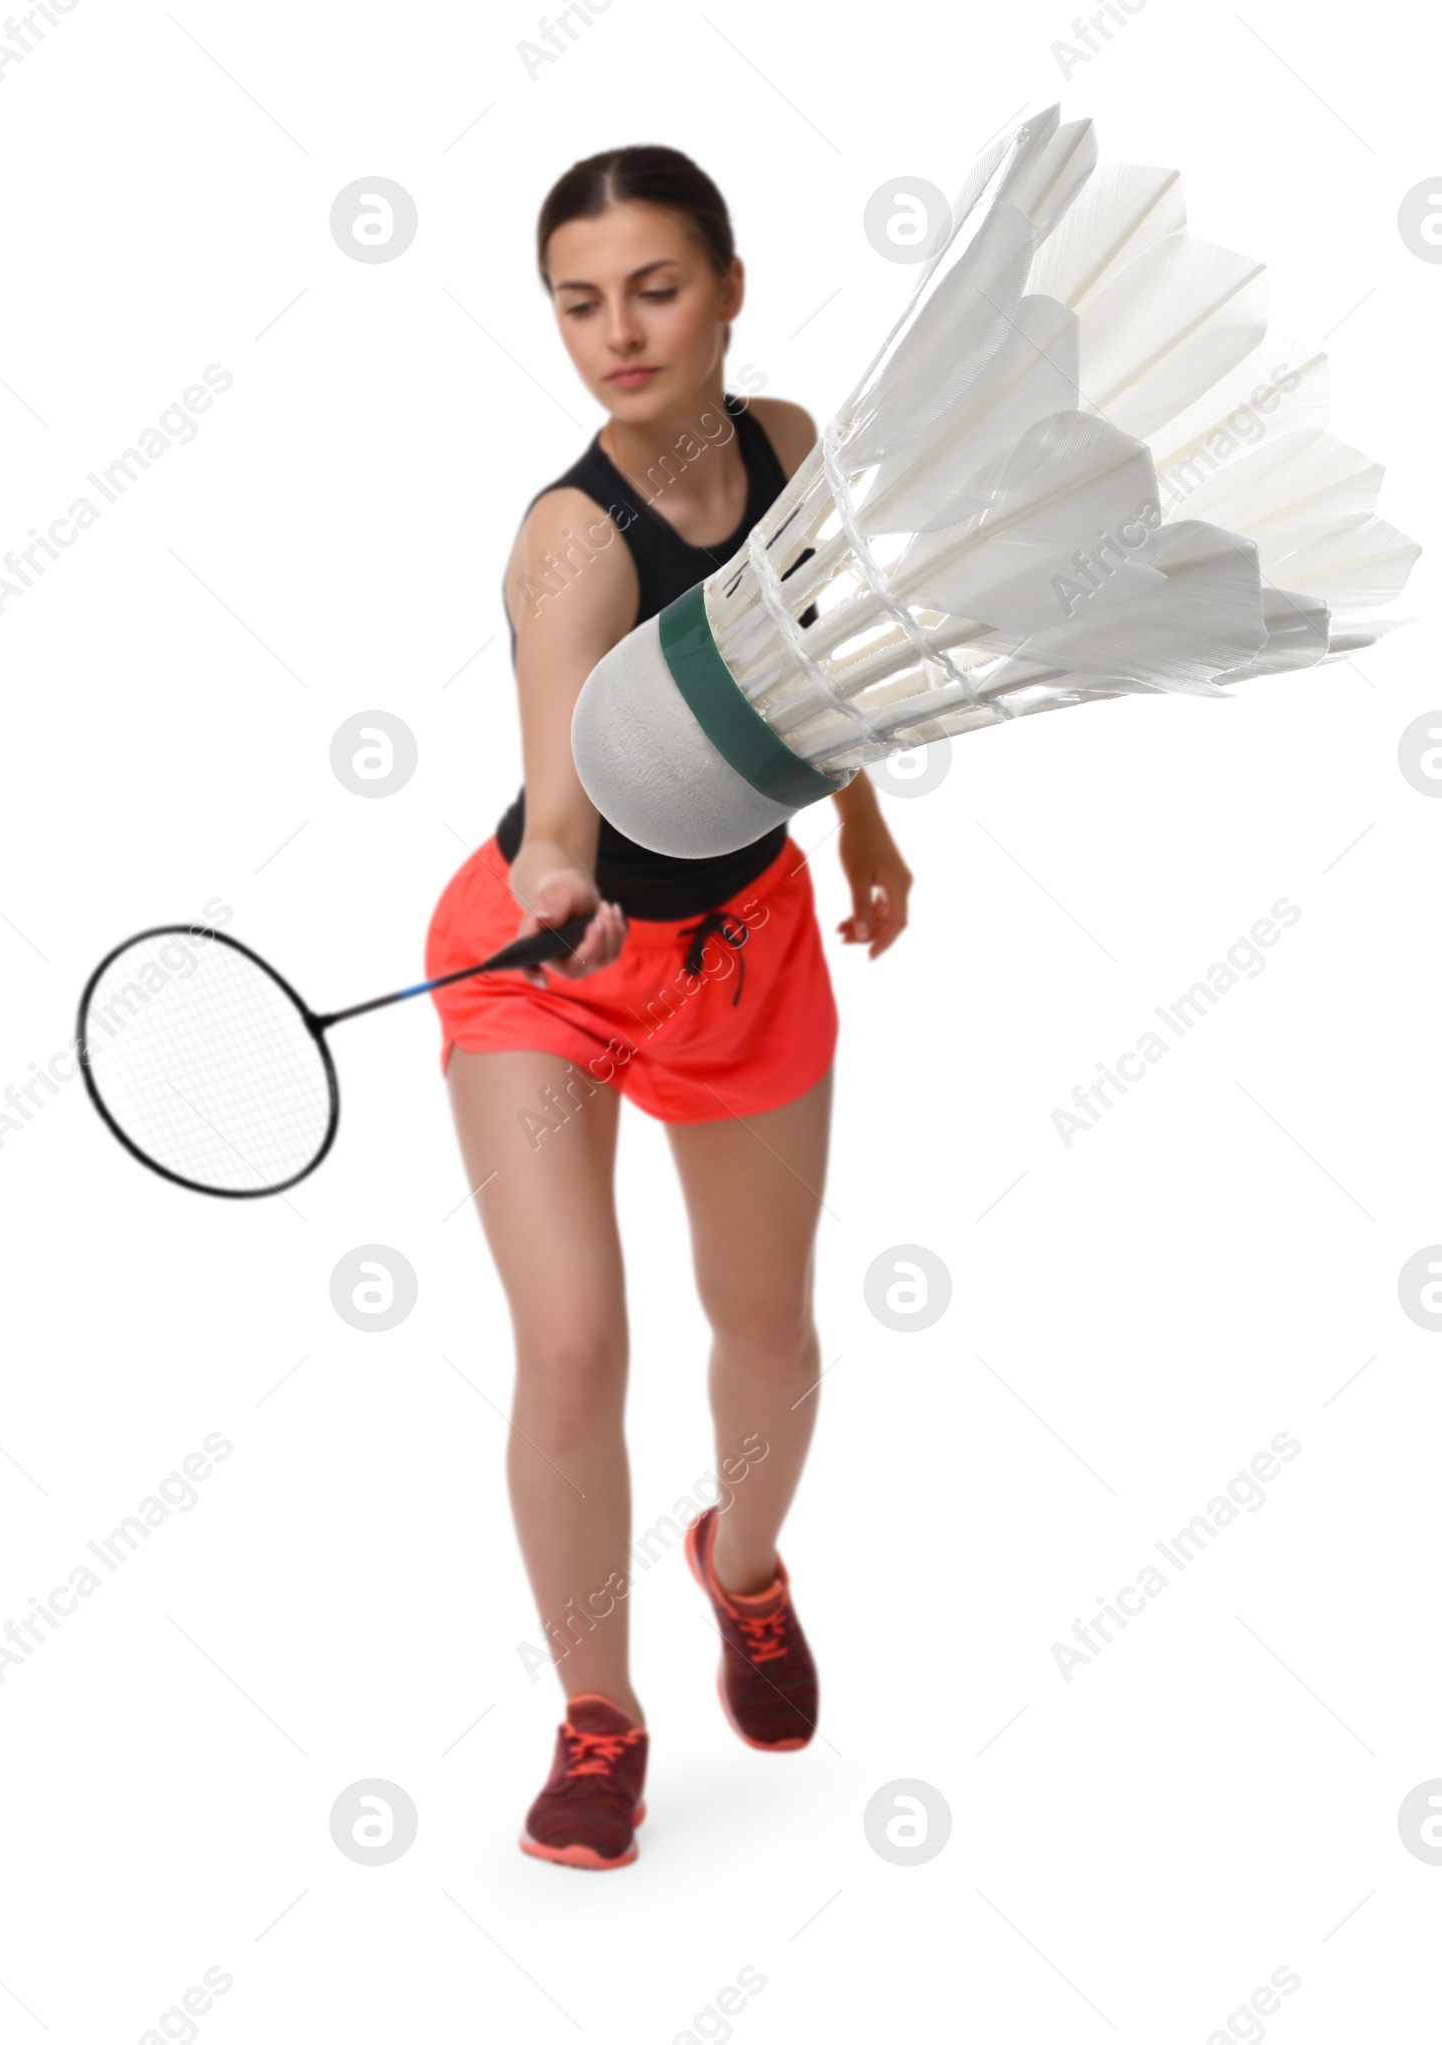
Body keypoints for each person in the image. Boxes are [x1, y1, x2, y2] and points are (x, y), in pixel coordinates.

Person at [424, 144, 912, 1870]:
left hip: (744, 950)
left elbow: (814, 664)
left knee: (768, 1335)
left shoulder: (788, 448)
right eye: (577, 302)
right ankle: (598, 1716)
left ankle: (745, 1568)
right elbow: (562, 801)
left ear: (726, 287)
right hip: (545, 961)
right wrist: (559, 879)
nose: (615, 333)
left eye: (653, 289)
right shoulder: (569, 544)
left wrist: (859, 819)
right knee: (573, 1341)